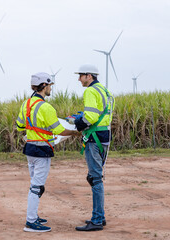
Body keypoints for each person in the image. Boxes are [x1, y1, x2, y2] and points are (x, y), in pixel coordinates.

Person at [16, 72, 79, 233]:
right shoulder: (46, 107)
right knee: (36, 187)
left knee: (35, 185)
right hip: (42, 150)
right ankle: (31, 222)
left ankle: (33, 216)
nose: (51, 88)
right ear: (44, 86)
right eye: (50, 85)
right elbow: (59, 130)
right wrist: (75, 132)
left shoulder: (26, 104)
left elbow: (19, 126)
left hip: (30, 149)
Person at [69, 64, 115, 231]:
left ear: (89, 76)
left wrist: (78, 123)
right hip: (104, 137)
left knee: (95, 179)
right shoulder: (104, 90)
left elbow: (91, 116)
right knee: (95, 177)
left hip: (94, 138)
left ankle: (96, 220)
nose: (79, 79)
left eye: (80, 75)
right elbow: (100, 113)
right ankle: (99, 217)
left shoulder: (90, 91)